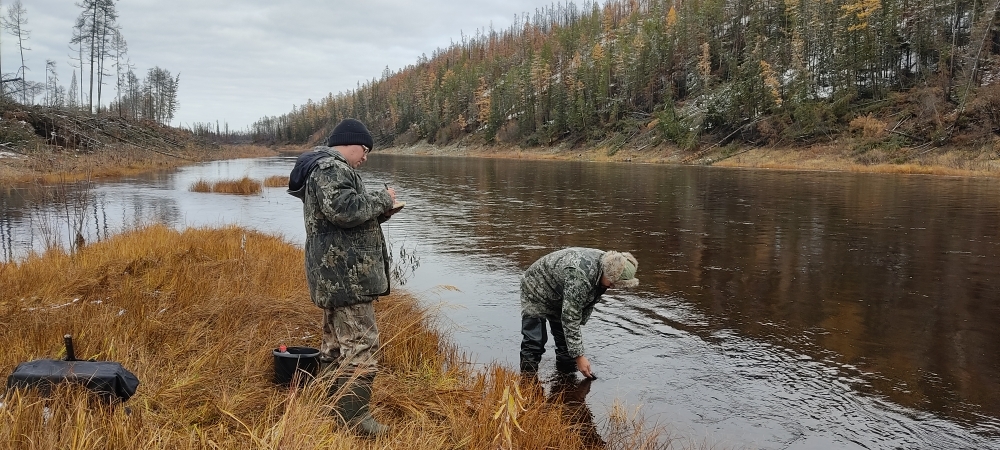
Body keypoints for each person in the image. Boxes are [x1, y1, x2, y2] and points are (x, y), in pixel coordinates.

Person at [288, 118, 399, 437]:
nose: (366, 157)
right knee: (361, 345)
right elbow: (345, 210)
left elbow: (339, 217)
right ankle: (355, 421)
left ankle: (332, 408)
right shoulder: (331, 167)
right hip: (347, 277)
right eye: (365, 150)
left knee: (335, 345)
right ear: (351, 143)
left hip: (336, 275)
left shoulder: (322, 167)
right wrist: (383, 199)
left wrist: (381, 211)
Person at [520, 248, 639, 378]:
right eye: (612, 282)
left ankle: (566, 384)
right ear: (608, 273)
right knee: (535, 341)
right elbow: (571, 318)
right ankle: (527, 385)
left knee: (566, 345)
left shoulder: (606, 265)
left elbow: (580, 307)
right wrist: (580, 356)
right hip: (536, 287)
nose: (612, 287)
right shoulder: (579, 276)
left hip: (561, 291)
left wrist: (575, 351)